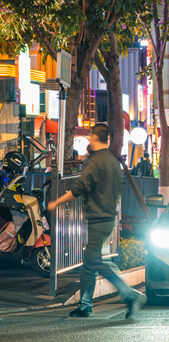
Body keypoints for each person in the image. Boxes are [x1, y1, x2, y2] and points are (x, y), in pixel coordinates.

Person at [47, 124, 147, 318]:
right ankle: (85, 305)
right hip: (109, 217)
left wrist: (56, 203)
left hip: (98, 218)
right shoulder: (112, 161)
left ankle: (129, 294)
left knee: (93, 259)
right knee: (88, 263)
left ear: (93, 138)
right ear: (107, 139)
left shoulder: (94, 162)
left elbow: (80, 188)